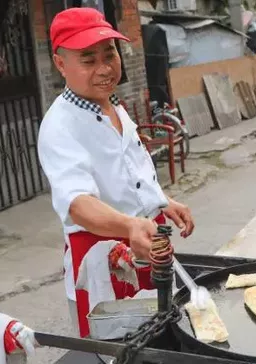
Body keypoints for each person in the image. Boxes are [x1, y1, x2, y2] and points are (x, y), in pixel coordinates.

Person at [37, 7, 194, 338]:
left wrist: (162, 201)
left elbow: (129, 173)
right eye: (88, 59)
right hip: (105, 258)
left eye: (110, 54)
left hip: (148, 241)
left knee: (162, 336)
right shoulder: (60, 126)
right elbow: (77, 203)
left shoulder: (112, 105)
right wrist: (129, 224)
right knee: (119, 347)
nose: (105, 68)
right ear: (60, 63)